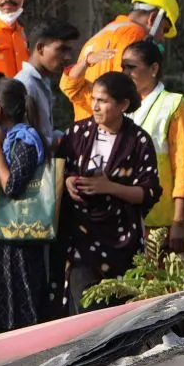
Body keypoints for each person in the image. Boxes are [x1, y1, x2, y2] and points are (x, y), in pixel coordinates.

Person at [58, 72, 161, 312]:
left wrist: (110, 188)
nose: (95, 106)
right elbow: (59, 169)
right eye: (93, 99)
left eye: (102, 101)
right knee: (84, 307)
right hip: (80, 237)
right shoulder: (77, 133)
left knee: (118, 313)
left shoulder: (139, 141)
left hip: (122, 239)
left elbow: (148, 192)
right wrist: (68, 180)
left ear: (123, 104)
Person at [0, 77, 59, 336]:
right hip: (3, 236)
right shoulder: (5, 139)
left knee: (23, 301)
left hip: (22, 236)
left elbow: (12, 186)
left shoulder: (25, 139)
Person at [61, 0, 180, 123]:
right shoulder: (135, 35)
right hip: (110, 127)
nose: (162, 37)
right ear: (153, 18)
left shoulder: (105, 33)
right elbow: (127, 88)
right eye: (164, 29)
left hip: (87, 127)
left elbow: (72, 85)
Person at [122, 40, 184, 253]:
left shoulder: (174, 104)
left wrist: (179, 222)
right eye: (122, 67)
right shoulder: (122, 105)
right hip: (125, 217)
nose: (125, 73)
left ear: (154, 69)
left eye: (131, 67)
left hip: (159, 221)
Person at [16, 20, 79, 141]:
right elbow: (24, 140)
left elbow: (46, 133)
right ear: (40, 48)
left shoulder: (43, 81)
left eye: (69, 51)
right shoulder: (25, 85)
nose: (68, 57)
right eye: (62, 49)